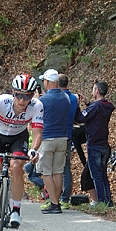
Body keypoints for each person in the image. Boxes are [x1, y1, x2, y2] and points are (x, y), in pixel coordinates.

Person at [0, 74, 43, 227]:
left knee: (17, 166)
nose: (21, 100)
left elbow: (38, 133)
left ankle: (16, 210)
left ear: (32, 96)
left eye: (26, 96)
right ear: (13, 93)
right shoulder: (1, 102)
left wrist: (33, 150)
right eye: (18, 95)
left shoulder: (37, 106)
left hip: (18, 138)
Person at [75, 81, 115, 206]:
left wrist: (76, 105)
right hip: (104, 145)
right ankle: (108, 201)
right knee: (103, 175)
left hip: (94, 144)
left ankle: (102, 202)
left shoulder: (96, 107)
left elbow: (80, 118)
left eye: (93, 89)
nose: (92, 91)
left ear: (97, 90)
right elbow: (96, 109)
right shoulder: (106, 106)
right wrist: (87, 103)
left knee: (96, 175)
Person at [37, 69, 71, 214]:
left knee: (46, 172)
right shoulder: (66, 98)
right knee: (58, 171)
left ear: (48, 82)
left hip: (47, 138)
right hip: (62, 138)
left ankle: (54, 202)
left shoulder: (43, 100)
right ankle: (56, 201)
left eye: (44, 81)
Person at [58, 73, 78, 206]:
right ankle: (63, 195)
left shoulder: (60, 99)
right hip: (69, 134)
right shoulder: (74, 98)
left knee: (59, 168)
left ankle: (63, 196)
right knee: (65, 167)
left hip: (59, 134)